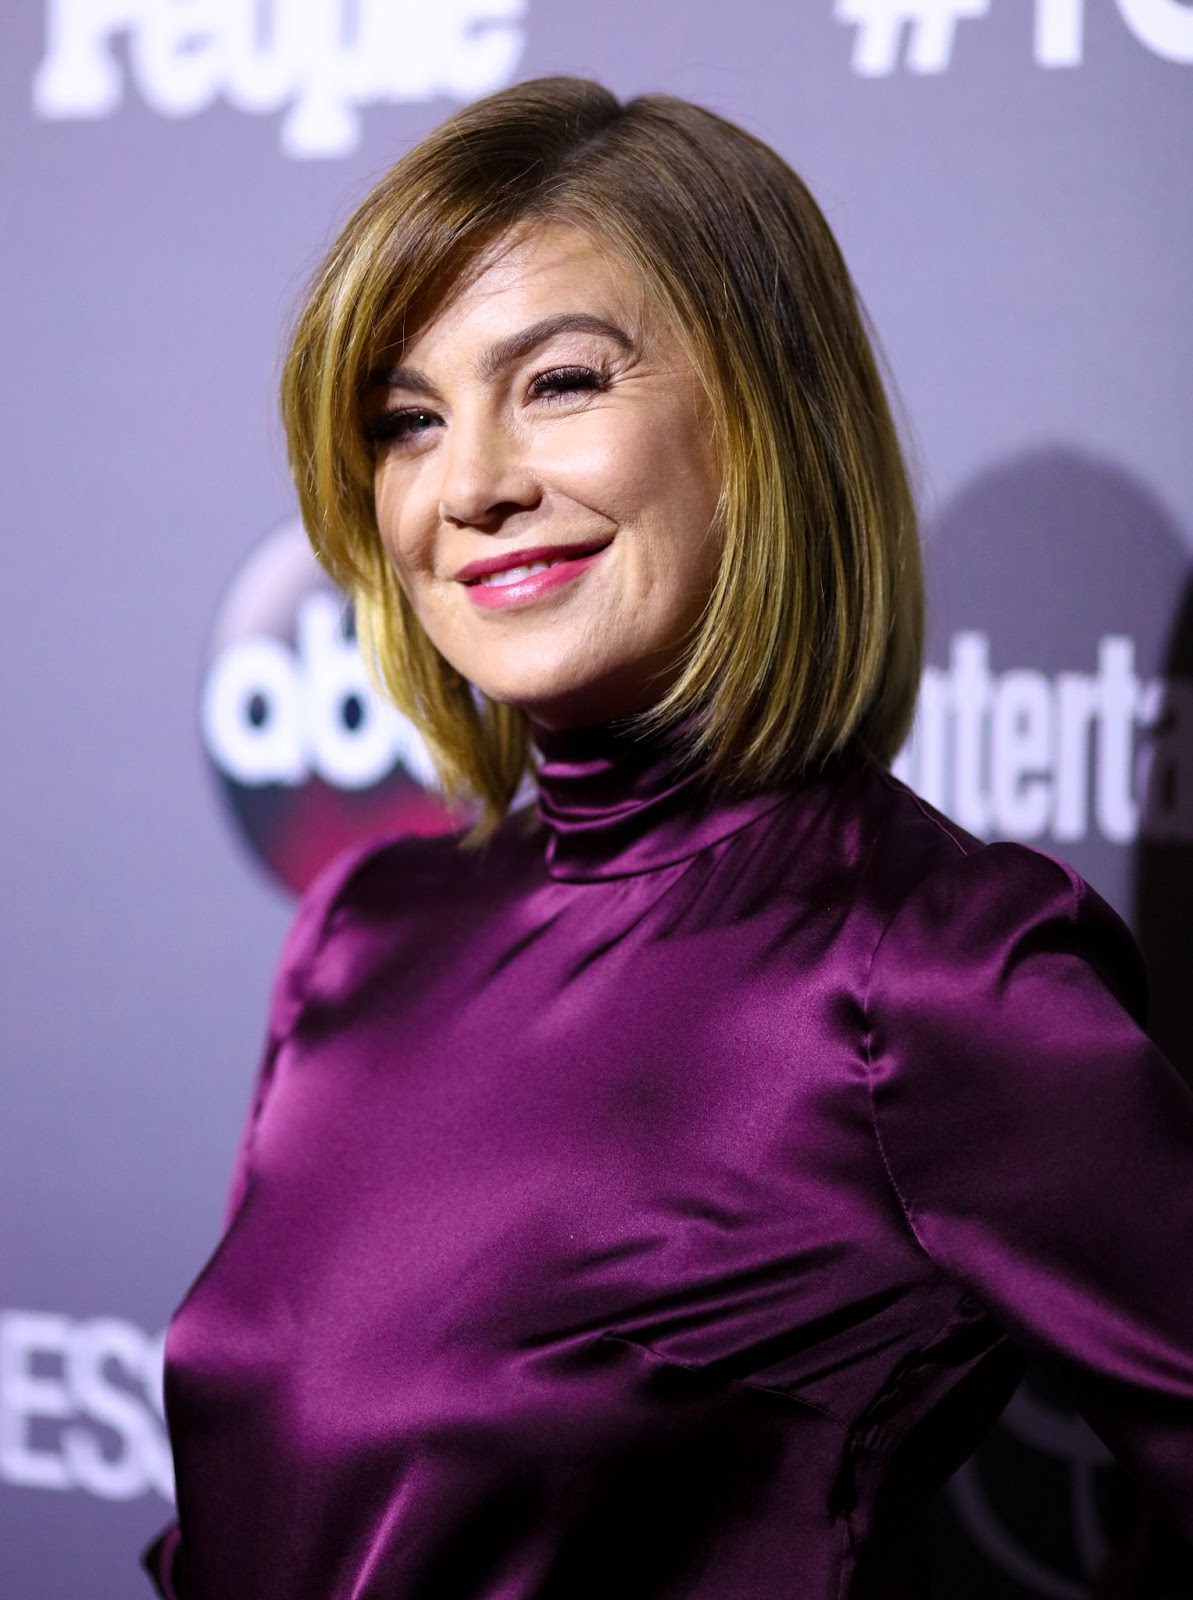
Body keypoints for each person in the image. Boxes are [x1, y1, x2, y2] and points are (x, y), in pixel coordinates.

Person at [142, 76, 1193, 1600]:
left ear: (761, 420)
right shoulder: (366, 925)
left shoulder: (925, 972)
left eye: (559, 383)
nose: (472, 485)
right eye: (407, 420)